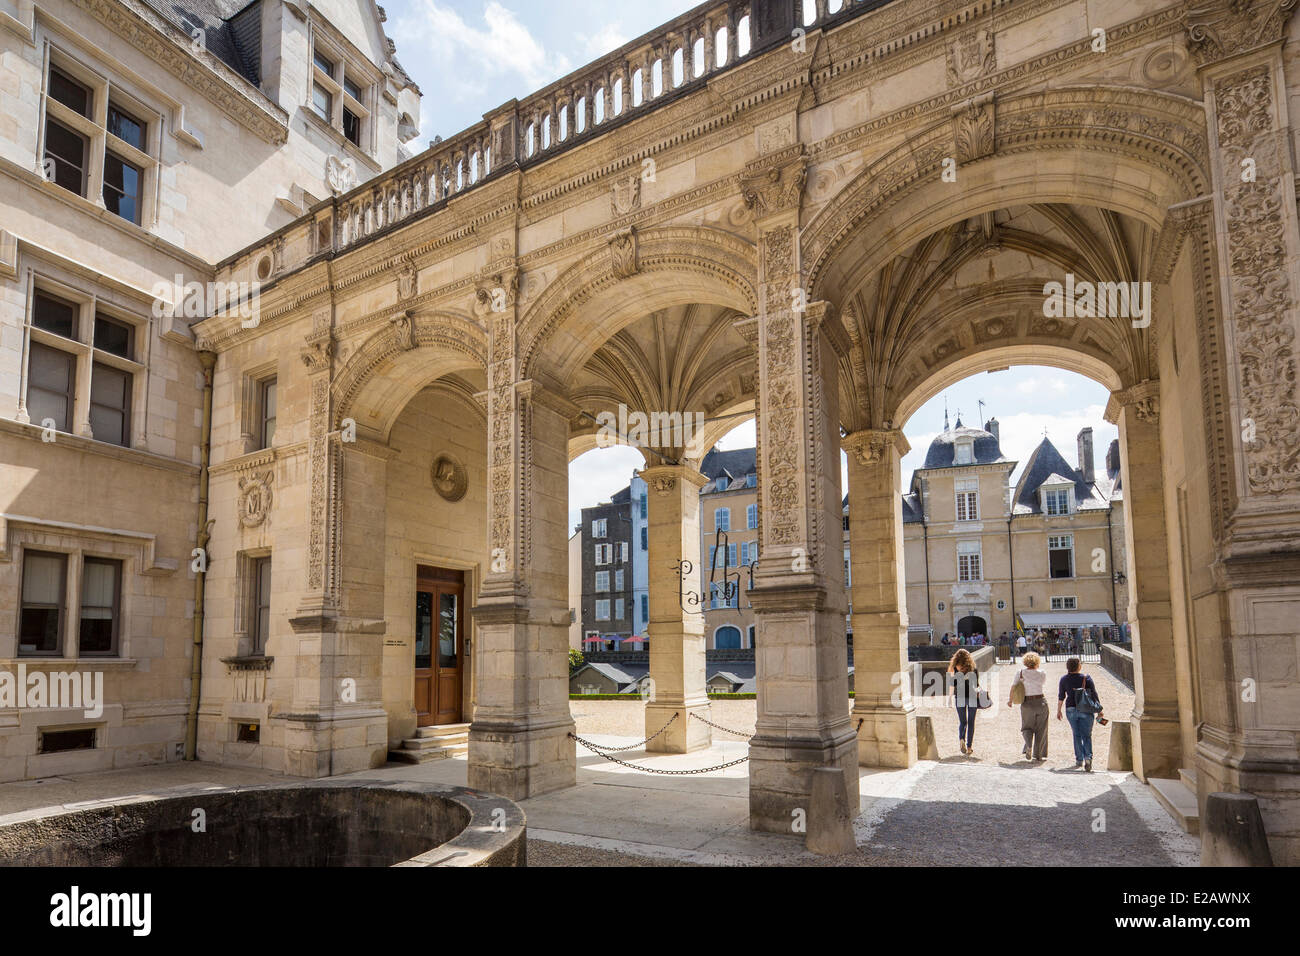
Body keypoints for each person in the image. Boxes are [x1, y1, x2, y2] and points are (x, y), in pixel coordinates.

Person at [1058, 657, 1103, 771]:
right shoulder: (1086, 678)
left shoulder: (1064, 679)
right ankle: (1088, 757)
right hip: (1086, 709)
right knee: (1087, 735)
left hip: (1071, 709)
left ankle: (1079, 759)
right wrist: (1099, 709)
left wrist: (1058, 710)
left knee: (1076, 734)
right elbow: (1093, 694)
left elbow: (1061, 696)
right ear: (1079, 666)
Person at [1008, 651, 1049, 761]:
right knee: (1041, 729)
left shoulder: (1020, 673)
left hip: (1027, 702)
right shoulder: (1042, 673)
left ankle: (1029, 746)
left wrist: (1010, 700)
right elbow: (1042, 683)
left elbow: (1013, 687)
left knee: (1026, 727)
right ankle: (1038, 755)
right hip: (1041, 701)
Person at [947, 648, 981, 756]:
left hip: (960, 697)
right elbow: (976, 686)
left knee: (963, 722)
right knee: (971, 723)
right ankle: (969, 747)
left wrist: (949, 698)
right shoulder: (973, 669)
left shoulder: (955, 669)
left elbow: (952, 684)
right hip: (972, 697)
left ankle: (961, 738)